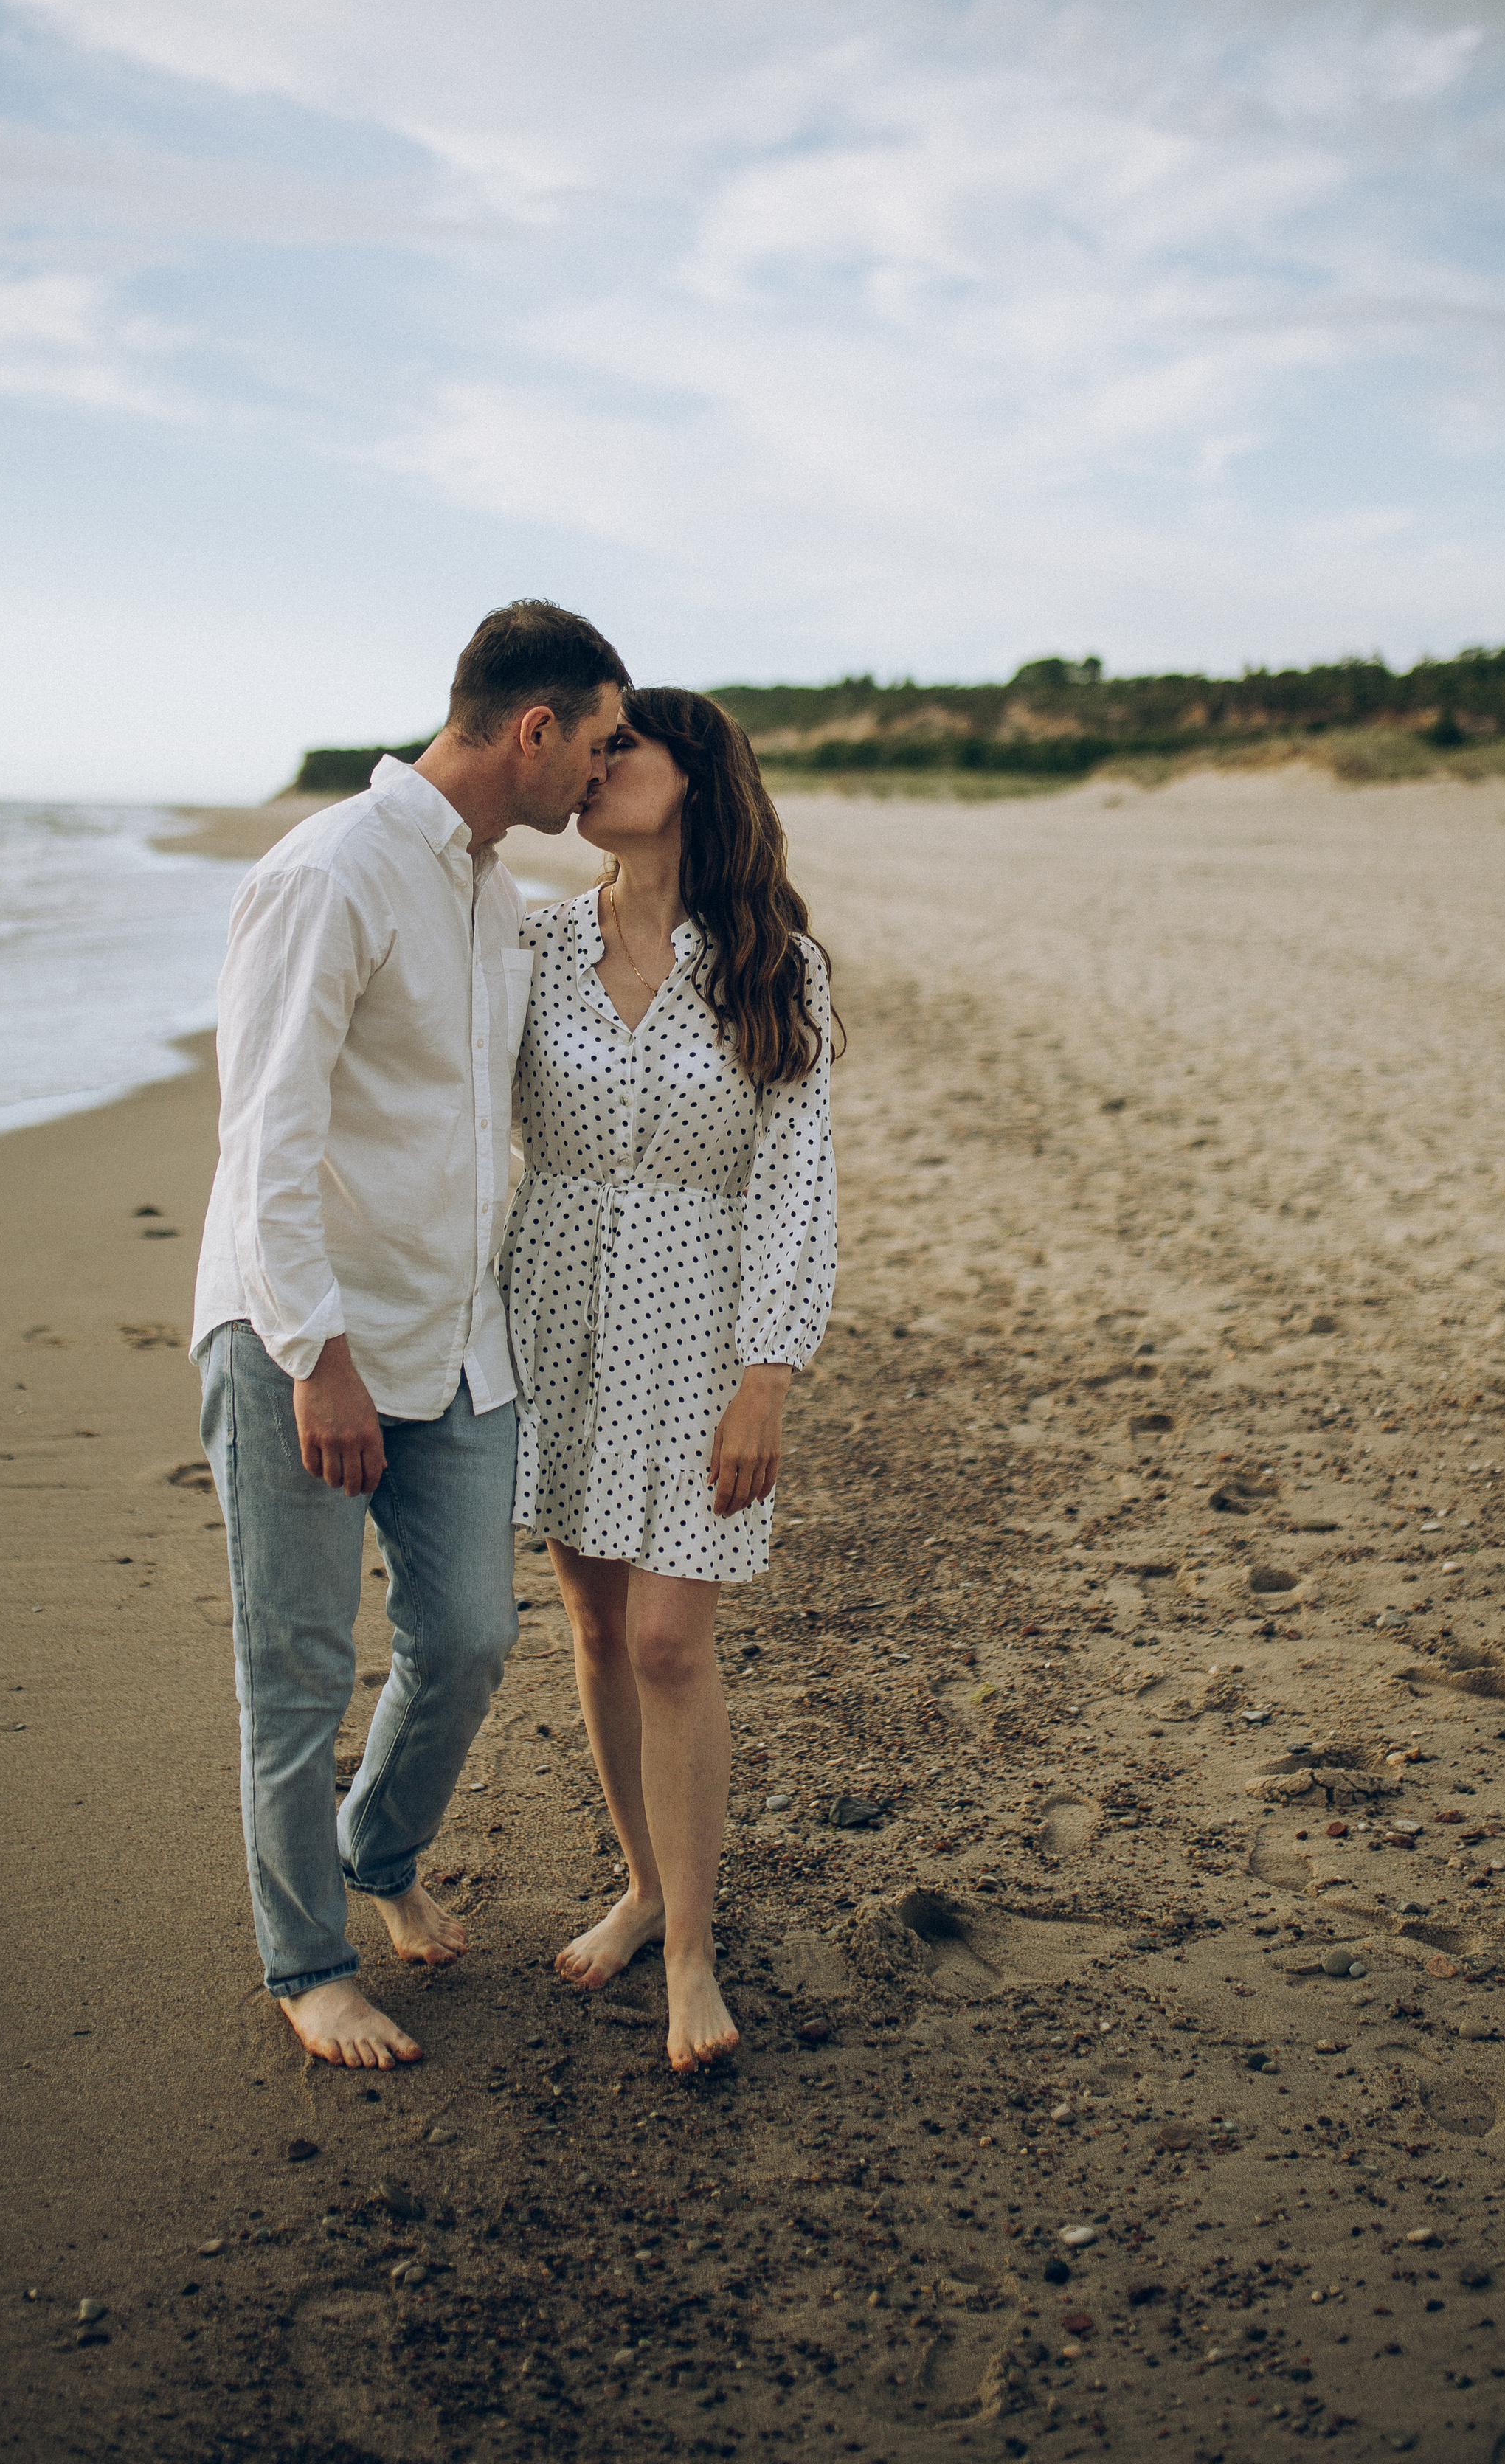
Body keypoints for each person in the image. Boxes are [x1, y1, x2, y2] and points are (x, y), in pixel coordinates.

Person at [193, 601, 626, 2072]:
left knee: (465, 1635)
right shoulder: (331, 872)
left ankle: (373, 1857)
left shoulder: (493, 894)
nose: (603, 772)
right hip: (302, 1337)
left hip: (454, 1344)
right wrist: (312, 1353)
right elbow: (265, 1133)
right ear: (531, 731)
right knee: (300, 1671)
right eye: (599, 741)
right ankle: (304, 1962)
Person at [499, 687, 838, 2073]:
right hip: (557, 1301)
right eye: (593, 744)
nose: (592, 766)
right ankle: (642, 1888)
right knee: (591, 1629)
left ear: (695, 774)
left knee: (668, 1643)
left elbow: (795, 1177)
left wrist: (770, 1373)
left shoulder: (774, 962)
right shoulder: (534, 943)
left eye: (621, 747)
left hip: (700, 1326)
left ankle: (693, 1946)